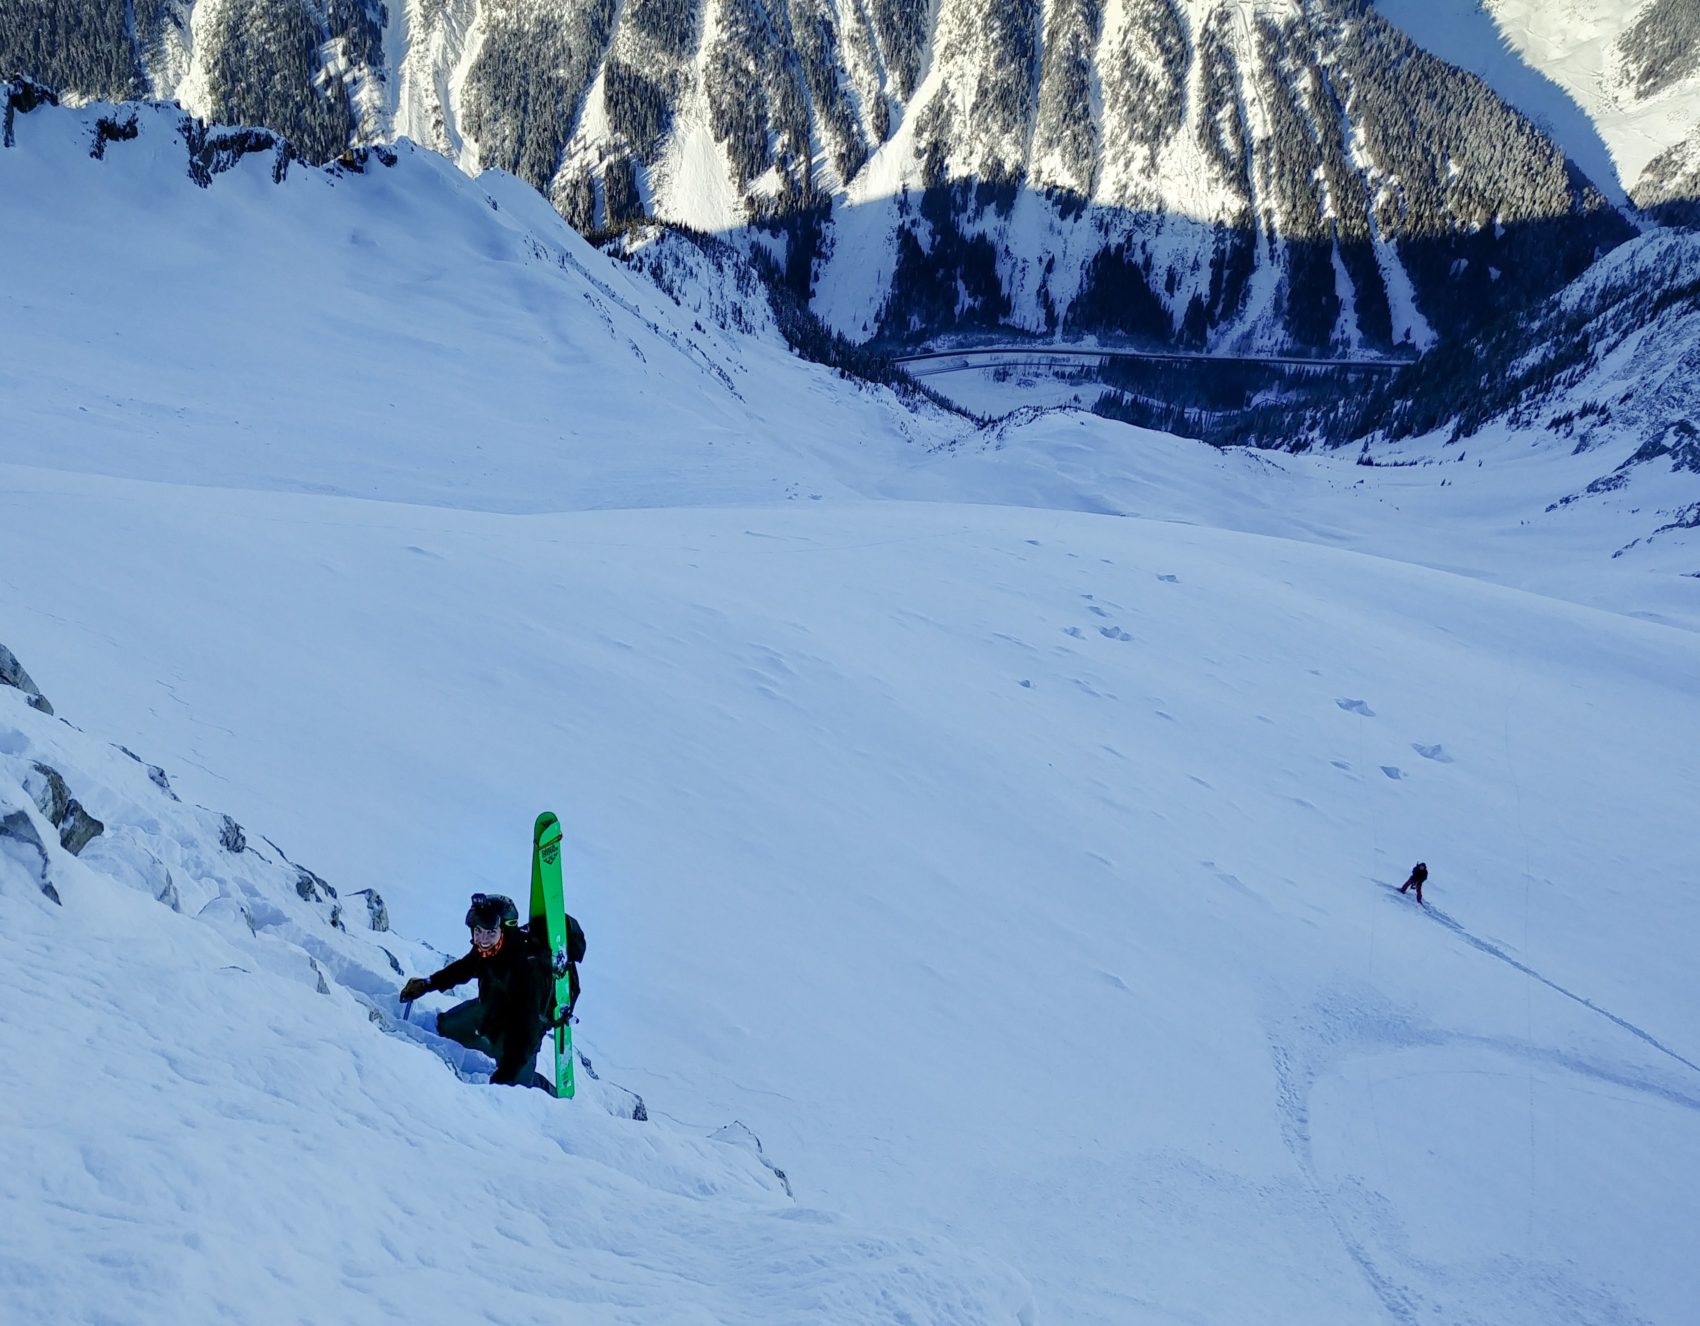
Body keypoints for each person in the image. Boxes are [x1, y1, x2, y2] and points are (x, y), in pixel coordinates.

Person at [400, 893, 553, 1089]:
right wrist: (427, 984)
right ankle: (498, 1051)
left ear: (504, 931)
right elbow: (463, 968)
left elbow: (528, 1029)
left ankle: (544, 1089)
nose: (482, 939)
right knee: (448, 1027)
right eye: (478, 931)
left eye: (490, 933)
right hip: (492, 1008)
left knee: (516, 1087)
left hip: (521, 1028)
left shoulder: (527, 967)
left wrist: (508, 1071)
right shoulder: (487, 950)